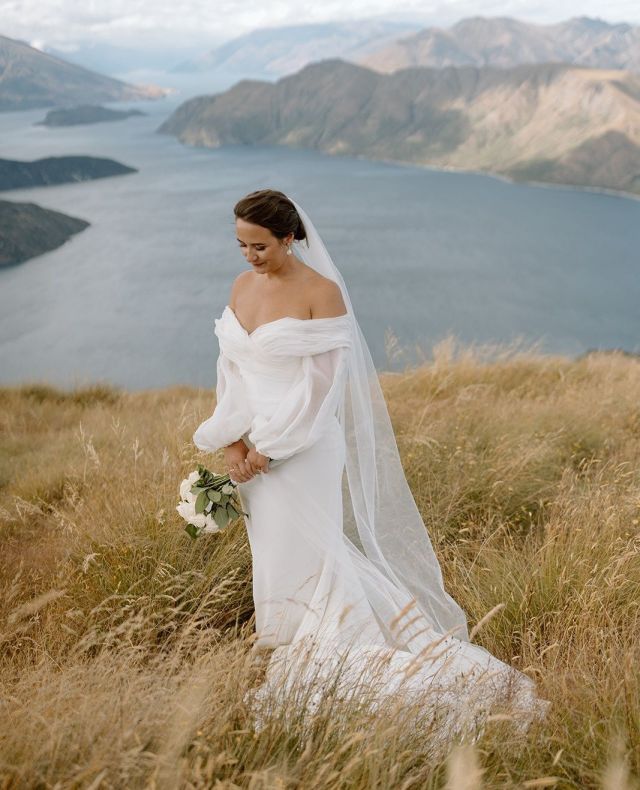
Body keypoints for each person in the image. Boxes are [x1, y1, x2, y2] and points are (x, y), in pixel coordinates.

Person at [193, 188, 550, 738]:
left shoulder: (321, 293)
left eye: (259, 246)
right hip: (252, 452)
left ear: (289, 238)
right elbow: (231, 371)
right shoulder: (241, 286)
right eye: (240, 244)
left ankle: (330, 654)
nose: (248, 256)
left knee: (316, 551)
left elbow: (320, 388)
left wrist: (271, 448)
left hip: (302, 448)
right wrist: (232, 444)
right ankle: (283, 642)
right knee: (273, 551)